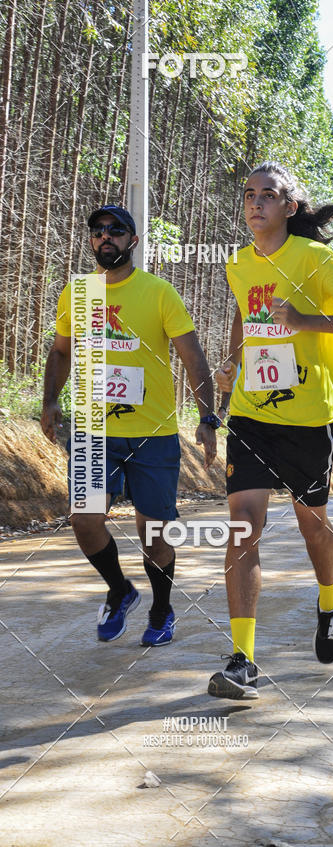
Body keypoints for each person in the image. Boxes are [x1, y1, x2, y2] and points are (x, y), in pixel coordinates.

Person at [210, 162, 333, 700]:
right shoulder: (239, 262)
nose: (256, 203)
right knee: (243, 526)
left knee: (313, 525)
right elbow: (244, 315)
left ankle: (329, 600)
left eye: (268, 195)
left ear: (289, 207)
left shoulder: (316, 259)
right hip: (251, 414)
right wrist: (233, 361)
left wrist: (305, 323)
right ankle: (243, 660)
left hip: (309, 417)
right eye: (249, 195)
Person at [40, 205, 216, 646]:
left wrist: (207, 417)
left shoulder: (158, 292)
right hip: (93, 430)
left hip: (152, 434)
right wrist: (50, 401)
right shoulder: (77, 292)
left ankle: (161, 610)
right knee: (85, 520)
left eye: (116, 230)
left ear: (132, 241)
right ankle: (120, 590)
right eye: (98, 230)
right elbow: (60, 351)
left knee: (153, 535)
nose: (106, 236)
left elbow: (193, 357)